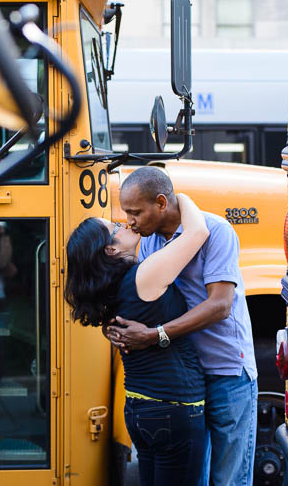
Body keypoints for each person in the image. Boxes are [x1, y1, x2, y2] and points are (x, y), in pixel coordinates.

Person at [106, 166, 258, 486]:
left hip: (225, 370)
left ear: (161, 203)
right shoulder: (149, 243)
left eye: (135, 212)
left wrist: (154, 335)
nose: (130, 220)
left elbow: (220, 306)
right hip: (187, 378)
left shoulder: (217, 231)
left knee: (229, 478)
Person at [64, 193, 209, 486]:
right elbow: (198, 232)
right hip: (174, 407)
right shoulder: (145, 276)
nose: (124, 224)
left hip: (140, 410)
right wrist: (176, 196)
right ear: (111, 251)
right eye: (115, 228)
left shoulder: (110, 292)